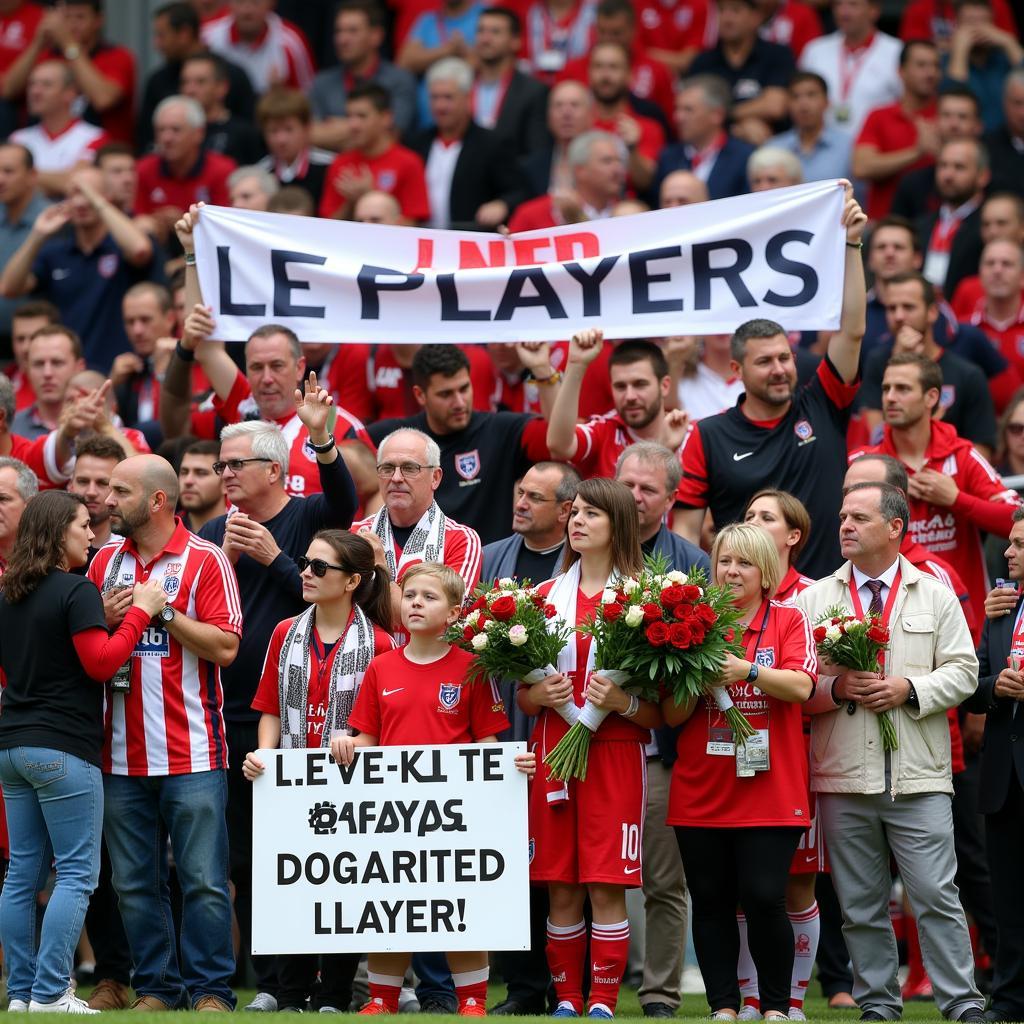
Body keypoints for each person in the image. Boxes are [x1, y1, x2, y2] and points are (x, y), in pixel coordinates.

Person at [796, 481, 985, 1023]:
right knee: (859, 906)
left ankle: (962, 1003)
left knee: (936, 897)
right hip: (843, 776)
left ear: (896, 528)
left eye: (858, 517)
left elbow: (966, 673)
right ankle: (878, 1003)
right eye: (841, 518)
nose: (845, 527)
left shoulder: (935, 590)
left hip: (919, 776)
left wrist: (911, 690)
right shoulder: (814, 598)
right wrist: (836, 689)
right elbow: (796, 682)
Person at [197, 390, 359, 1014]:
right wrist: (229, 561)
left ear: (272, 469)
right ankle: (273, 981)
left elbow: (344, 509)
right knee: (250, 857)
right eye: (221, 465)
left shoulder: (308, 514)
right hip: (230, 716)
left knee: (321, 853)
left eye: (236, 464)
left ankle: (330, 983)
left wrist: (274, 559)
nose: (226, 474)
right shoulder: (214, 532)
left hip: (314, 719)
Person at [334, 562, 532, 1016]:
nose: (417, 603)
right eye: (410, 595)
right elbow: (367, 737)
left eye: (430, 596)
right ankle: (381, 1000)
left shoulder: (472, 668)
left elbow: (487, 742)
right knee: (392, 909)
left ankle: (473, 1001)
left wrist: (510, 764)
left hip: (455, 816)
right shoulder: (381, 669)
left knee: (460, 909)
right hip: (393, 812)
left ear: (454, 612)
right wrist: (348, 741)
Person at [0, 490, 167, 1014]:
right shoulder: (77, 589)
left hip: (11, 746)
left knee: (22, 872)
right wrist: (141, 612)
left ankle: (23, 993)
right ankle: (51, 991)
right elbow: (100, 663)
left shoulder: (6, 592)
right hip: (64, 748)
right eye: (81, 527)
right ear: (57, 534)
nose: (93, 535)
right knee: (75, 873)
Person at [87, 454, 243, 1011]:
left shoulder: (206, 560)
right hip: (119, 754)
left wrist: (164, 615)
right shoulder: (103, 560)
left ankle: (209, 990)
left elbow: (227, 647)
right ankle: (157, 986)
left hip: (195, 751)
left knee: (202, 880)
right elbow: (83, 644)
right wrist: (104, 618)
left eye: (119, 491)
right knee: (132, 884)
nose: (106, 500)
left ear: (156, 500)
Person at [517, 478, 661, 1019]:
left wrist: (622, 703)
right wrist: (538, 693)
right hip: (553, 750)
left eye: (591, 514)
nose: (576, 522)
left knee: (606, 884)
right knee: (559, 886)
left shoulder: (648, 600)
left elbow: (661, 711)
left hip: (617, 753)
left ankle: (602, 1001)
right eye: (574, 513)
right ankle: (569, 1002)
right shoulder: (542, 598)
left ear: (618, 524)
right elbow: (524, 698)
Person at [675, 183, 867, 578]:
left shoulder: (823, 403)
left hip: (830, 597)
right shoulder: (708, 435)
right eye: (764, 361)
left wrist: (851, 246)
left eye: (785, 358)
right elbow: (686, 533)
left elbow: (851, 332)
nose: (779, 369)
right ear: (737, 371)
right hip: (745, 607)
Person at [664, 521, 816, 1023]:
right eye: (724, 560)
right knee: (710, 901)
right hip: (702, 787)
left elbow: (802, 688)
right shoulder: (693, 622)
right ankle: (725, 1006)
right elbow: (672, 716)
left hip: (770, 787)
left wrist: (746, 671)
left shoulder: (789, 620)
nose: (732, 571)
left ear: (767, 572)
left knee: (765, 896)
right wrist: (696, 683)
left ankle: (775, 1006)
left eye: (744, 562)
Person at [244, 531, 395, 1014]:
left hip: (352, 786)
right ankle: (289, 994)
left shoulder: (382, 643)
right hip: (289, 782)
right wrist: (264, 755)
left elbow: (381, 721)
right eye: (306, 562)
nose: (305, 572)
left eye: (319, 567)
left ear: (353, 581)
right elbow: (268, 705)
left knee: (346, 886)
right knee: (292, 883)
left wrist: (356, 742)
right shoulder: (284, 631)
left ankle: (333, 995)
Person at [614, 444, 709, 1020]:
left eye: (649, 488)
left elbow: (696, 667)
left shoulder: (694, 563)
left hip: (661, 750)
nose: (635, 496)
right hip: (590, 740)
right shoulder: (585, 548)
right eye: (627, 483)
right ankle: (575, 991)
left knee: (662, 880)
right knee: (581, 873)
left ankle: (659, 995)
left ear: (673, 499)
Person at [480, 460, 577, 1017]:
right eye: (519, 493)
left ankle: (575, 986)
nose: (520, 503)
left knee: (565, 869)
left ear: (567, 511)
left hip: (569, 735)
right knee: (513, 868)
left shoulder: (583, 567)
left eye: (534, 498)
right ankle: (521, 988)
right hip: (502, 732)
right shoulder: (492, 559)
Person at [852, 350, 1021, 627]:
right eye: (886, 388)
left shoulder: (961, 455)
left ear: (932, 397)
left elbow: (1015, 518)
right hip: (888, 621)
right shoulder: (866, 464)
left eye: (902, 388)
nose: (890, 397)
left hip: (964, 617)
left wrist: (956, 499)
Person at [365, 345, 555, 545]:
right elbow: (342, 463)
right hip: (417, 571)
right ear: (420, 395)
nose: (459, 403)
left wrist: (543, 371)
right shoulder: (393, 439)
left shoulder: (502, 430)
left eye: (464, 389)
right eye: (446, 394)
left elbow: (560, 442)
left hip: (488, 571)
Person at [0, 165, 158, 373]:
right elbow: (9, 288)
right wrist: (37, 235)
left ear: (106, 198)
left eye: (89, 193)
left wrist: (97, 200)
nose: (82, 202)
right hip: (68, 375)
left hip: (120, 372)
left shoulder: (120, 245)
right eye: (75, 194)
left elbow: (140, 250)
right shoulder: (55, 251)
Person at [964, 508, 1024, 1022]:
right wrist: (995, 692)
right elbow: (974, 685)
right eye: (1011, 543)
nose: (1008, 553)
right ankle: (1007, 1001)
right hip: (1004, 777)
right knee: (1008, 900)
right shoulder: (1002, 608)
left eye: (1020, 545)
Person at [351, 427, 482, 628]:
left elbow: (448, 622)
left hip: (429, 659)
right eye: (387, 468)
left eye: (409, 468)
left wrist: (379, 568)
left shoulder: (461, 539)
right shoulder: (355, 534)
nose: (396, 478)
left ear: (435, 477)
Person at [548, 337, 691, 487]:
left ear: (664, 386)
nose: (630, 396)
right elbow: (559, 446)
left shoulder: (693, 437)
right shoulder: (603, 431)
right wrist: (576, 364)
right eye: (620, 386)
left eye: (640, 384)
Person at [410, 57, 525, 230]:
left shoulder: (492, 144)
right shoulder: (417, 144)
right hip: (421, 245)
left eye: (448, 97)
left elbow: (519, 191)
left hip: (471, 244)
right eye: (434, 98)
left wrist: (502, 204)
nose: (440, 106)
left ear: (468, 98)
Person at [1, 0, 136, 145]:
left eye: (80, 17)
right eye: (65, 18)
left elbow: (103, 99)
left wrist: (68, 44)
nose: (72, 25)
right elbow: (8, 90)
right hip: (43, 143)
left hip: (104, 151)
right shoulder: (48, 56)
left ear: (98, 20)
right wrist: (37, 43)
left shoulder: (117, 56)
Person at [139, 1, 254, 152]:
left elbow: (248, 130)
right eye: (184, 82)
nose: (157, 44)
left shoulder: (233, 75)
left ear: (184, 34)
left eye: (162, 35)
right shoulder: (158, 81)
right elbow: (146, 140)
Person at [853, 39, 942, 221]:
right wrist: (916, 152)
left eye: (935, 65)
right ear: (901, 71)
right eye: (921, 65)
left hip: (934, 226)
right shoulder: (879, 116)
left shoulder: (948, 115)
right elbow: (861, 167)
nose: (931, 73)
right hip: (885, 226)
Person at [309, 0, 417, 148]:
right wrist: (369, 129)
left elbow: (391, 137)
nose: (342, 39)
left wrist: (337, 128)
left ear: (376, 36)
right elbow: (310, 135)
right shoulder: (322, 83)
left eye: (352, 31)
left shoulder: (399, 80)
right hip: (331, 168)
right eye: (339, 31)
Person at [318, 83, 429, 224]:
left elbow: (413, 225)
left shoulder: (409, 163)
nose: (353, 125)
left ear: (386, 118)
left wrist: (371, 196)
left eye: (361, 116)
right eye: (349, 116)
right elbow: (327, 228)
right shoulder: (340, 163)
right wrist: (351, 203)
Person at [689, 0, 795, 144]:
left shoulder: (777, 55)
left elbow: (774, 106)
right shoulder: (703, 62)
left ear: (756, 17)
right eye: (721, 10)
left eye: (735, 10)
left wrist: (725, 114)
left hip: (771, 142)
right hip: (716, 146)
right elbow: (694, 113)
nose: (727, 18)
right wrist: (739, 128)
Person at [134, 95, 235, 239]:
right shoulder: (143, 169)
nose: (166, 138)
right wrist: (157, 221)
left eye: (176, 130)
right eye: (161, 130)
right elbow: (139, 219)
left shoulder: (222, 170)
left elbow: (225, 228)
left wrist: (185, 220)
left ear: (198, 134)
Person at [798, 0, 902, 136]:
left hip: (875, 149)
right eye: (838, 4)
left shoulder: (897, 52)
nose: (843, 12)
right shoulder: (815, 50)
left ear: (874, 11)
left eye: (853, 4)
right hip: (821, 148)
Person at [9, 61, 106, 198]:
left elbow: (76, 183)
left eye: (46, 85)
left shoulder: (95, 136)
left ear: (70, 93)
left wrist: (23, 177)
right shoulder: (18, 139)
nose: (35, 91)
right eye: (32, 84)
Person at [653, 75, 754, 201]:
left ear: (717, 115)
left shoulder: (744, 157)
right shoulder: (668, 158)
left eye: (688, 110)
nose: (678, 117)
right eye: (677, 109)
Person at [507, 129, 626, 231]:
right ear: (580, 170)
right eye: (607, 161)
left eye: (619, 161)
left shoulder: (630, 215)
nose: (618, 169)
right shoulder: (533, 215)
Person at [471, 7, 549, 159]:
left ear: (516, 41)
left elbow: (536, 153)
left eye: (495, 32)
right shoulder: (462, 86)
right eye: (481, 31)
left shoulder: (534, 92)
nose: (485, 39)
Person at [917, 137, 988, 299]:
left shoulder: (989, 226)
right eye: (943, 166)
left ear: (983, 176)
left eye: (959, 167)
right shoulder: (921, 225)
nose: (948, 175)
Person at [201, 0, 315, 95]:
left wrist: (281, 95)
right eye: (240, 2)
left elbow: (308, 96)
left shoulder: (291, 41)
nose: (247, 11)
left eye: (255, 2)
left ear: (271, 4)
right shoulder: (207, 37)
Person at [943, 0, 1023, 134]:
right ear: (957, 24)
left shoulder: (1005, 58)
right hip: (966, 141)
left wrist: (1009, 43)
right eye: (970, 22)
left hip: (1008, 141)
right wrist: (960, 51)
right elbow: (953, 96)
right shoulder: (945, 61)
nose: (978, 29)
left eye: (983, 22)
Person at [180, 52, 264, 167]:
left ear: (222, 87)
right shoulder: (172, 131)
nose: (189, 90)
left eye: (200, 82)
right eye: (185, 82)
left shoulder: (244, 134)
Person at [254, 88, 332, 210]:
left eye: (288, 129)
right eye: (273, 131)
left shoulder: (329, 166)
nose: (281, 139)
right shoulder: (259, 174)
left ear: (307, 128)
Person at [768, 72, 853, 184]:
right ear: (788, 105)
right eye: (795, 97)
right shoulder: (773, 147)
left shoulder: (848, 146)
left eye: (811, 95)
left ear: (827, 102)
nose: (803, 105)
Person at [520, 80, 594, 199]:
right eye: (558, 105)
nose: (566, 113)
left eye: (574, 105)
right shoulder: (531, 167)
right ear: (548, 117)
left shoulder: (606, 162)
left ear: (590, 115)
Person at [67, 433, 123, 556]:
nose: (91, 492)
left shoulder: (131, 551)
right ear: (70, 485)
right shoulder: (51, 551)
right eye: (83, 481)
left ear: (120, 490)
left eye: (102, 483)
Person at [177, 438, 225, 534]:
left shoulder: (242, 532)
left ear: (225, 483)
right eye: (184, 472)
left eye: (201, 473)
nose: (188, 481)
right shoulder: (167, 530)